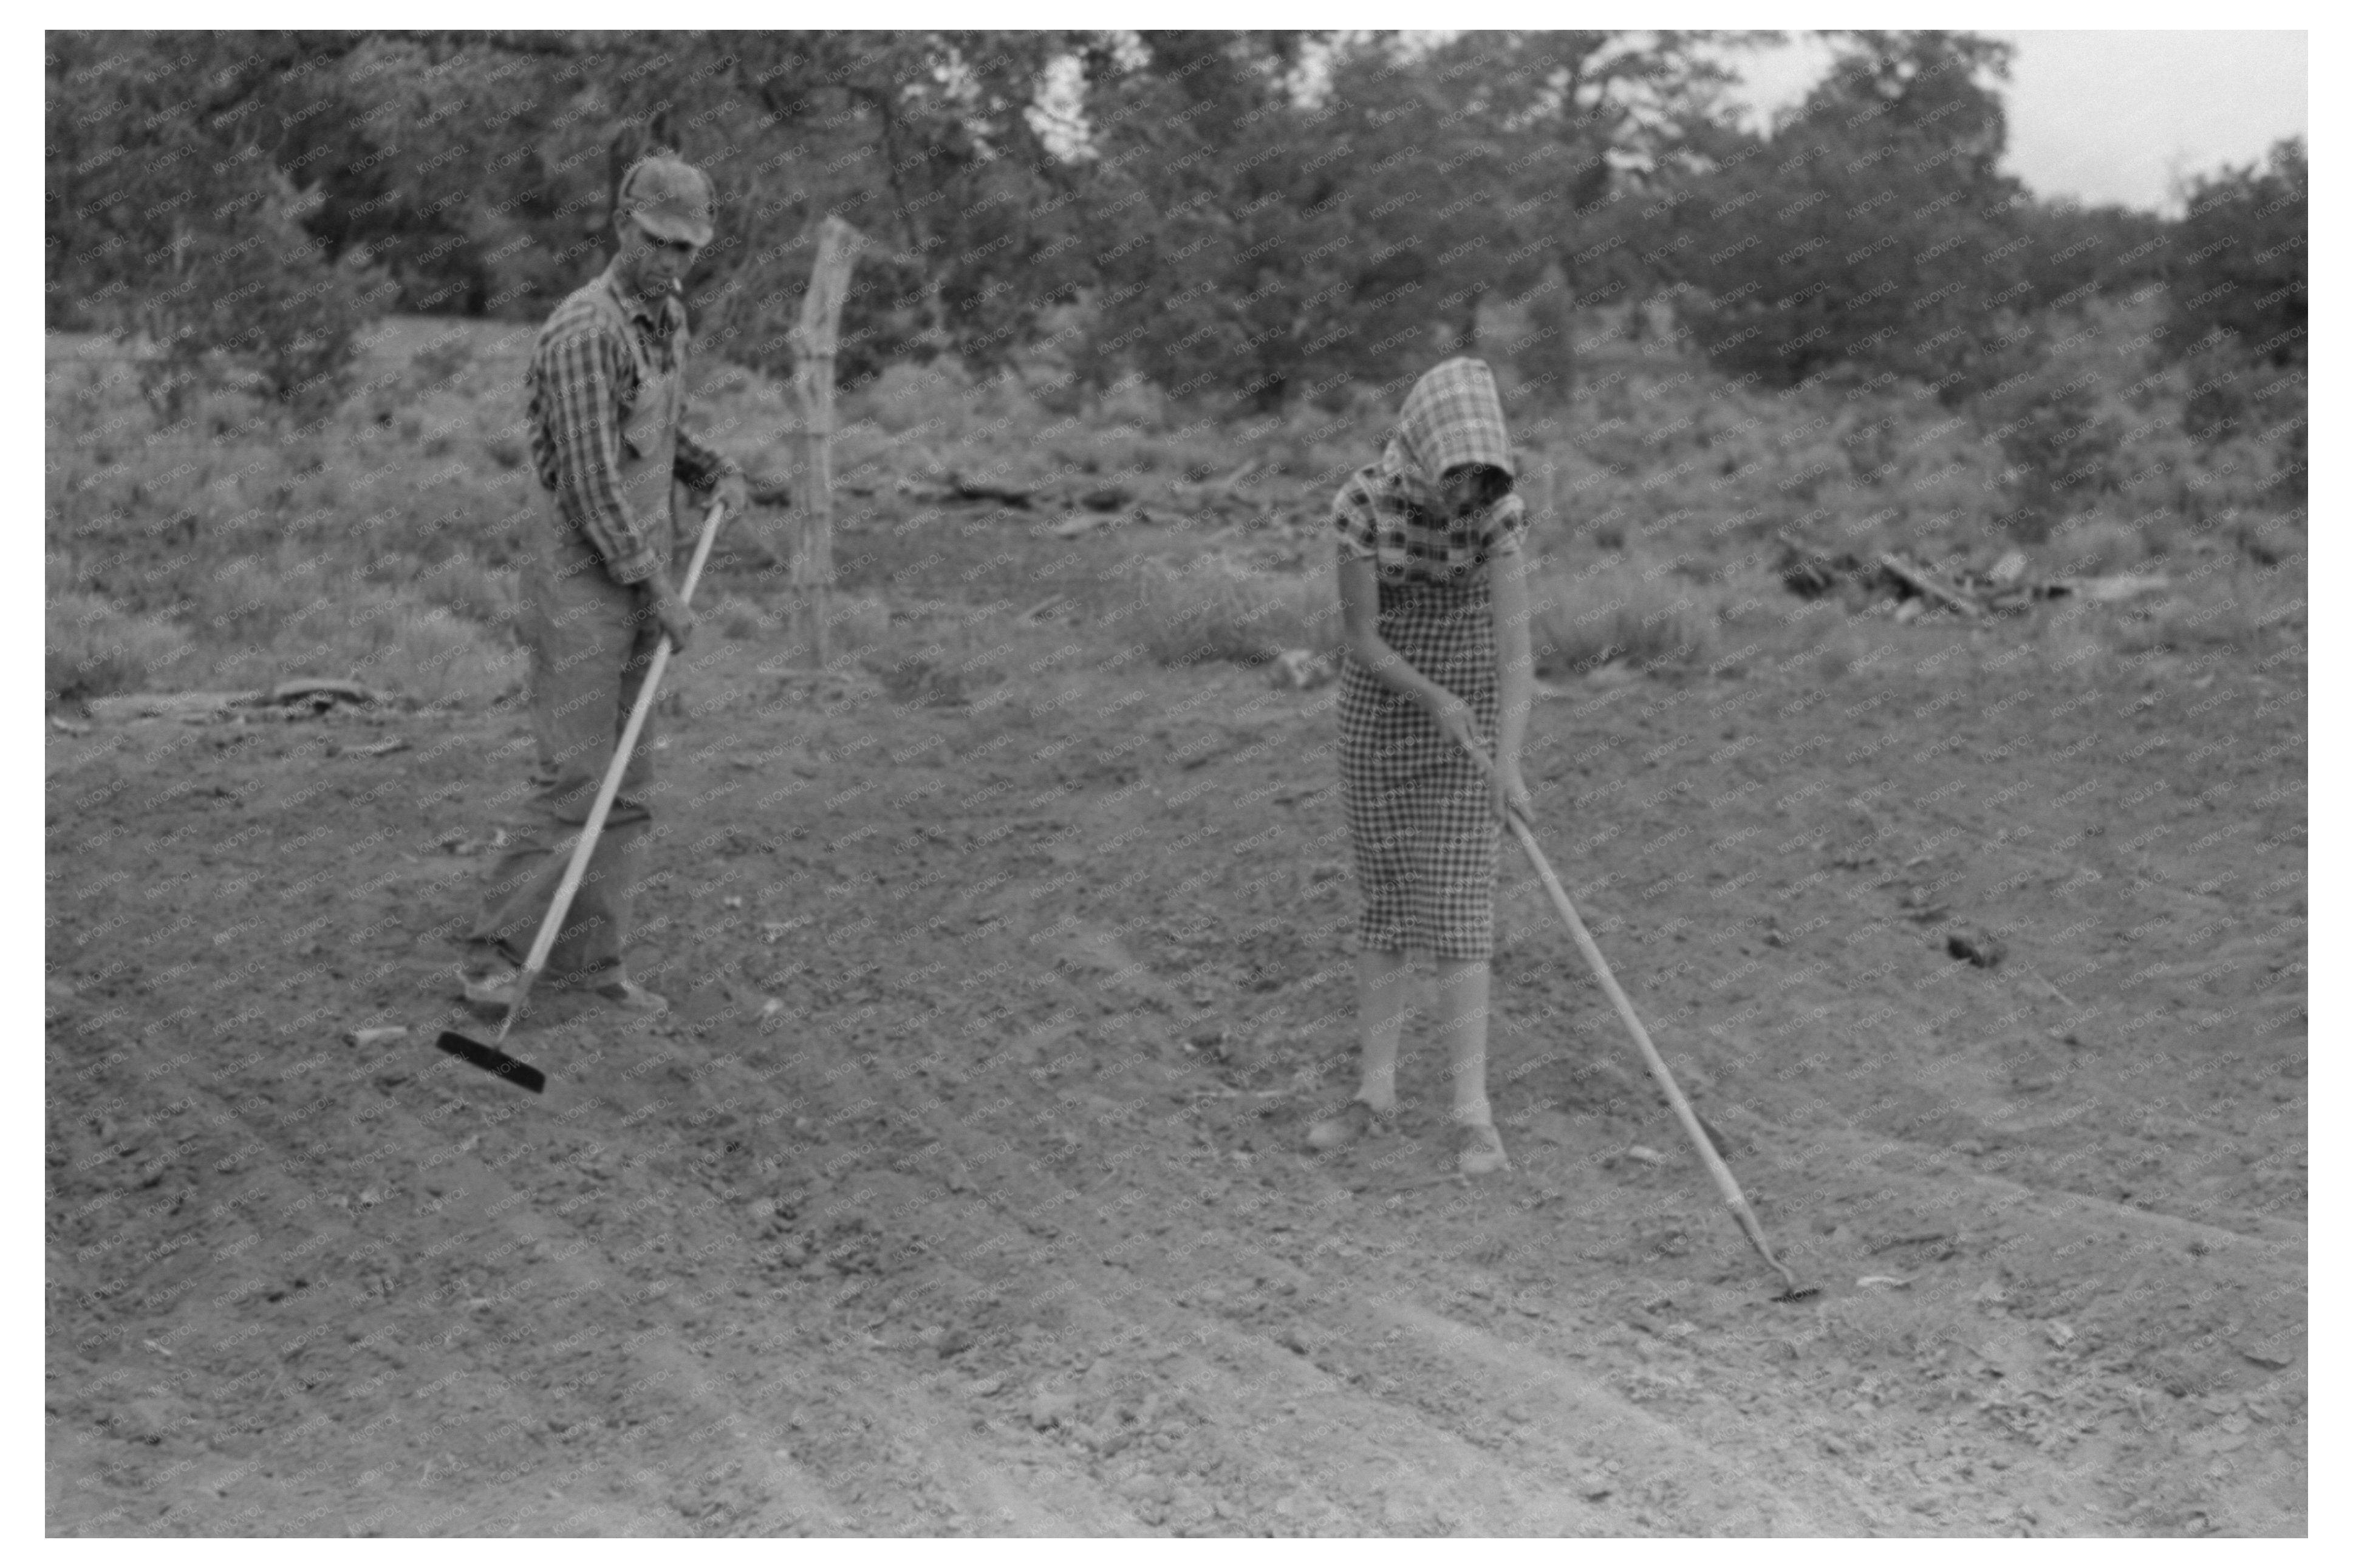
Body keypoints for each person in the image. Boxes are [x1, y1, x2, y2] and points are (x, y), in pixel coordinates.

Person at [457, 153, 749, 1018]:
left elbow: (650, 433)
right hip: (584, 583)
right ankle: (492, 959)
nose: (671, 262)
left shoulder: (665, 319)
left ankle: (589, 963)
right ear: (623, 223)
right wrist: (659, 591)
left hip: (639, 571)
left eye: (688, 249)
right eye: (658, 242)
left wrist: (708, 467)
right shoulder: (585, 332)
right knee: (576, 777)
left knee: (628, 786)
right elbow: (588, 482)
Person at [1308, 357, 1535, 1177]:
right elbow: (1362, 640)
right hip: (1382, 711)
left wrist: (1507, 768)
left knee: (1462, 904)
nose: (1464, 495)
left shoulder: (1498, 515)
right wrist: (1430, 696)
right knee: (1387, 900)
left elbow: (1516, 659)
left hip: (1471, 718)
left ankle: (1472, 1115)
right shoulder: (1360, 506)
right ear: (1424, 446)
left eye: (1478, 477)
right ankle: (1375, 1096)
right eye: (1454, 475)